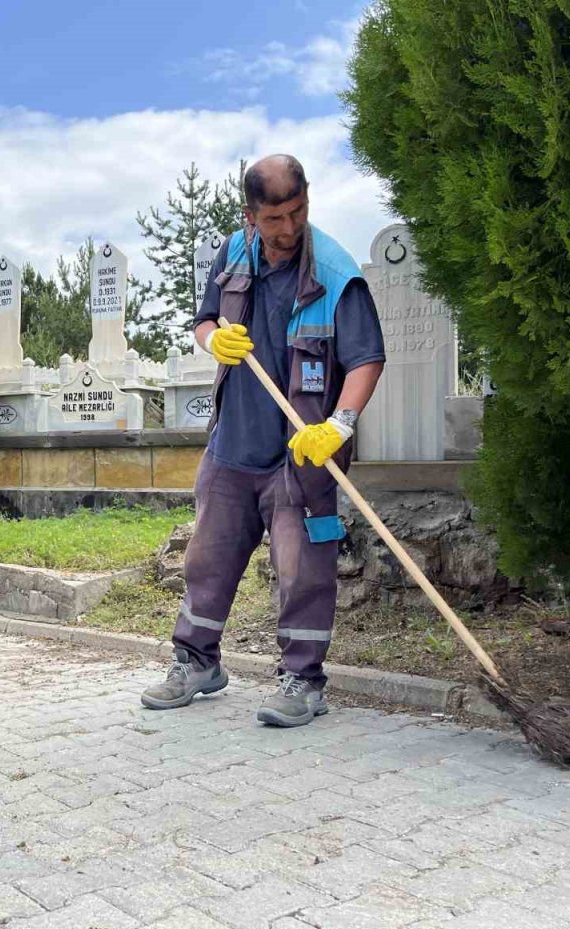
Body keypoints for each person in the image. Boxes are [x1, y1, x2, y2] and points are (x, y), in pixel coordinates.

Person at [141, 155, 386, 727]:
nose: (287, 228)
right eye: (274, 218)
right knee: (207, 559)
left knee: (303, 568)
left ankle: (303, 680)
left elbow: (366, 359)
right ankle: (196, 662)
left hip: (300, 455)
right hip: (232, 447)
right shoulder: (233, 254)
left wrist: (341, 424)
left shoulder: (335, 271)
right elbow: (203, 320)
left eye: (297, 212)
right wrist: (213, 339)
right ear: (250, 216)